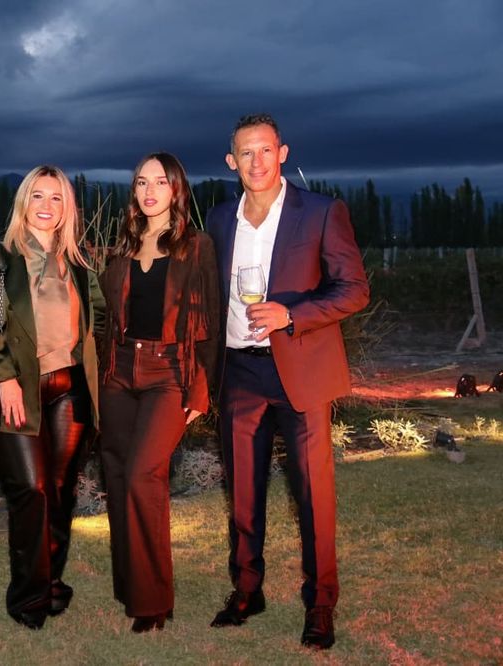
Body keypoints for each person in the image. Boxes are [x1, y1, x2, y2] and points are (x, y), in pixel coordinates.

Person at [205, 114, 369, 650]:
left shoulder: (321, 212)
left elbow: (353, 291)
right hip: (239, 373)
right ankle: (247, 591)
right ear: (231, 162)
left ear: (282, 153)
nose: (255, 162)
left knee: (312, 495)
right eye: (244, 154)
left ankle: (320, 605)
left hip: (300, 370)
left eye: (264, 151)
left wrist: (290, 316)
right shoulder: (219, 220)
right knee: (244, 493)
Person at [0, 165, 105, 630]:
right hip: (19, 387)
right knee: (32, 489)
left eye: (57, 198)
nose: (47, 207)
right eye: (38, 196)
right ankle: (28, 597)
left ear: (68, 208)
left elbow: (99, 322)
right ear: (24, 202)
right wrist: (3, 377)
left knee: (62, 492)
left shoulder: (80, 263)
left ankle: (50, 583)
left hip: (72, 387)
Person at [98, 152, 220, 633]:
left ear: (176, 190)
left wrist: (202, 388)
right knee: (117, 474)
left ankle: (153, 603)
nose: (149, 192)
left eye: (160, 183)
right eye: (141, 183)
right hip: (119, 372)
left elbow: (209, 320)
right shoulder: (122, 248)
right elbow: (107, 320)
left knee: (144, 475)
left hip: (171, 371)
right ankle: (131, 583)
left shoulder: (196, 247)